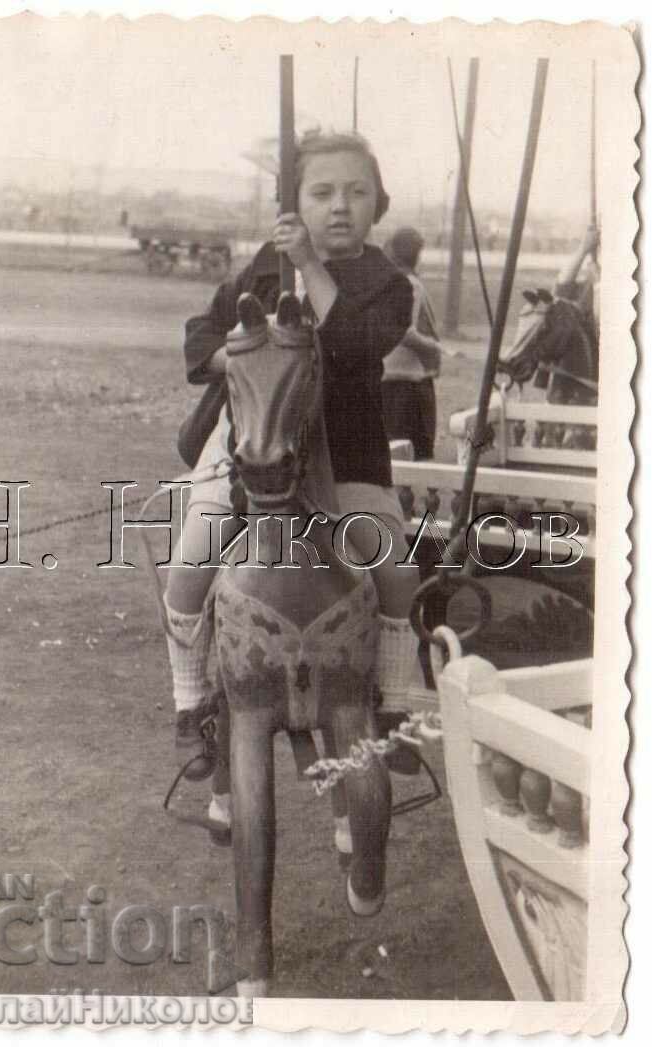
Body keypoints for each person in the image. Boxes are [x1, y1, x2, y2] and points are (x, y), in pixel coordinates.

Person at [165, 131, 420, 768]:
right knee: (195, 552)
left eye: (356, 193)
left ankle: (395, 703)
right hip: (252, 444)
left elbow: (356, 343)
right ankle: (191, 701)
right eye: (322, 192)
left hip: (349, 451)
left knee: (396, 569)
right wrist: (240, 356)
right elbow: (203, 335)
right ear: (294, 202)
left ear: (378, 204)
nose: (340, 206)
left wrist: (310, 265)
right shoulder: (262, 266)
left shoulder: (387, 283)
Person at [380, 227, 441, 460]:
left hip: (397, 382)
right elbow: (404, 332)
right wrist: (433, 347)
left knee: (399, 455)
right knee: (410, 456)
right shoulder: (408, 283)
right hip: (404, 382)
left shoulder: (398, 283)